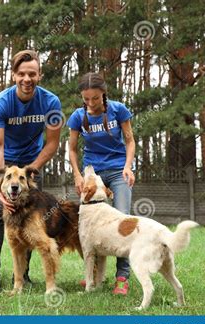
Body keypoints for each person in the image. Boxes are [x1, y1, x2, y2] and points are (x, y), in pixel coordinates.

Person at [0, 50, 63, 291]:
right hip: (5, 166)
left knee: (31, 220)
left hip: (32, 164)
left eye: (31, 74)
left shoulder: (51, 102)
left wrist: (32, 171)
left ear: (39, 75)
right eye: (21, 74)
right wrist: (1, 186)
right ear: (13, 75)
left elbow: (52, 143)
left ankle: (24, 276)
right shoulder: (1, 103)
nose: (26, 79)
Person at [67, 72, 136, 295]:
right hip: (92, 174)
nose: (90, 103)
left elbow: (130, 140)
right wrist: (77, 175)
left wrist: (127, 166)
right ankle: (95, 277)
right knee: (90, 228)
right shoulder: (78, 116)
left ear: (103, 94)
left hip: (117, 172)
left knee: (122, 222)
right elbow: (71, 148)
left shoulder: (118, 110)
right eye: (86, 99)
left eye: (95, 98)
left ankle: (122, 278)